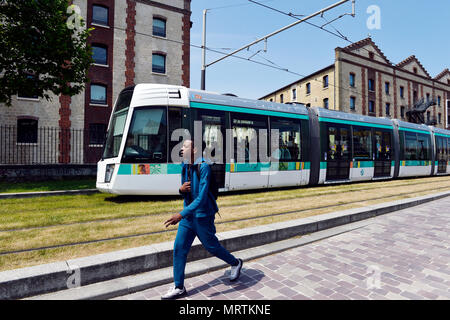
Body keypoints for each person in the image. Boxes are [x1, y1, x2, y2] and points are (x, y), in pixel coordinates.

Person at [162, 139, 243, 300]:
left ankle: (235, 263)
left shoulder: (204, 166)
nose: (182, 148)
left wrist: (180, 214)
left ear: (194, 149)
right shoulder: (184, 166)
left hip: (202, 216)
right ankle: (179, 287)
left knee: (212, 247)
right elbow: (186, 192)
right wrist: (180, 189)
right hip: (188, 217)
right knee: (179, 248)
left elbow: (202, 198)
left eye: (185, 146)